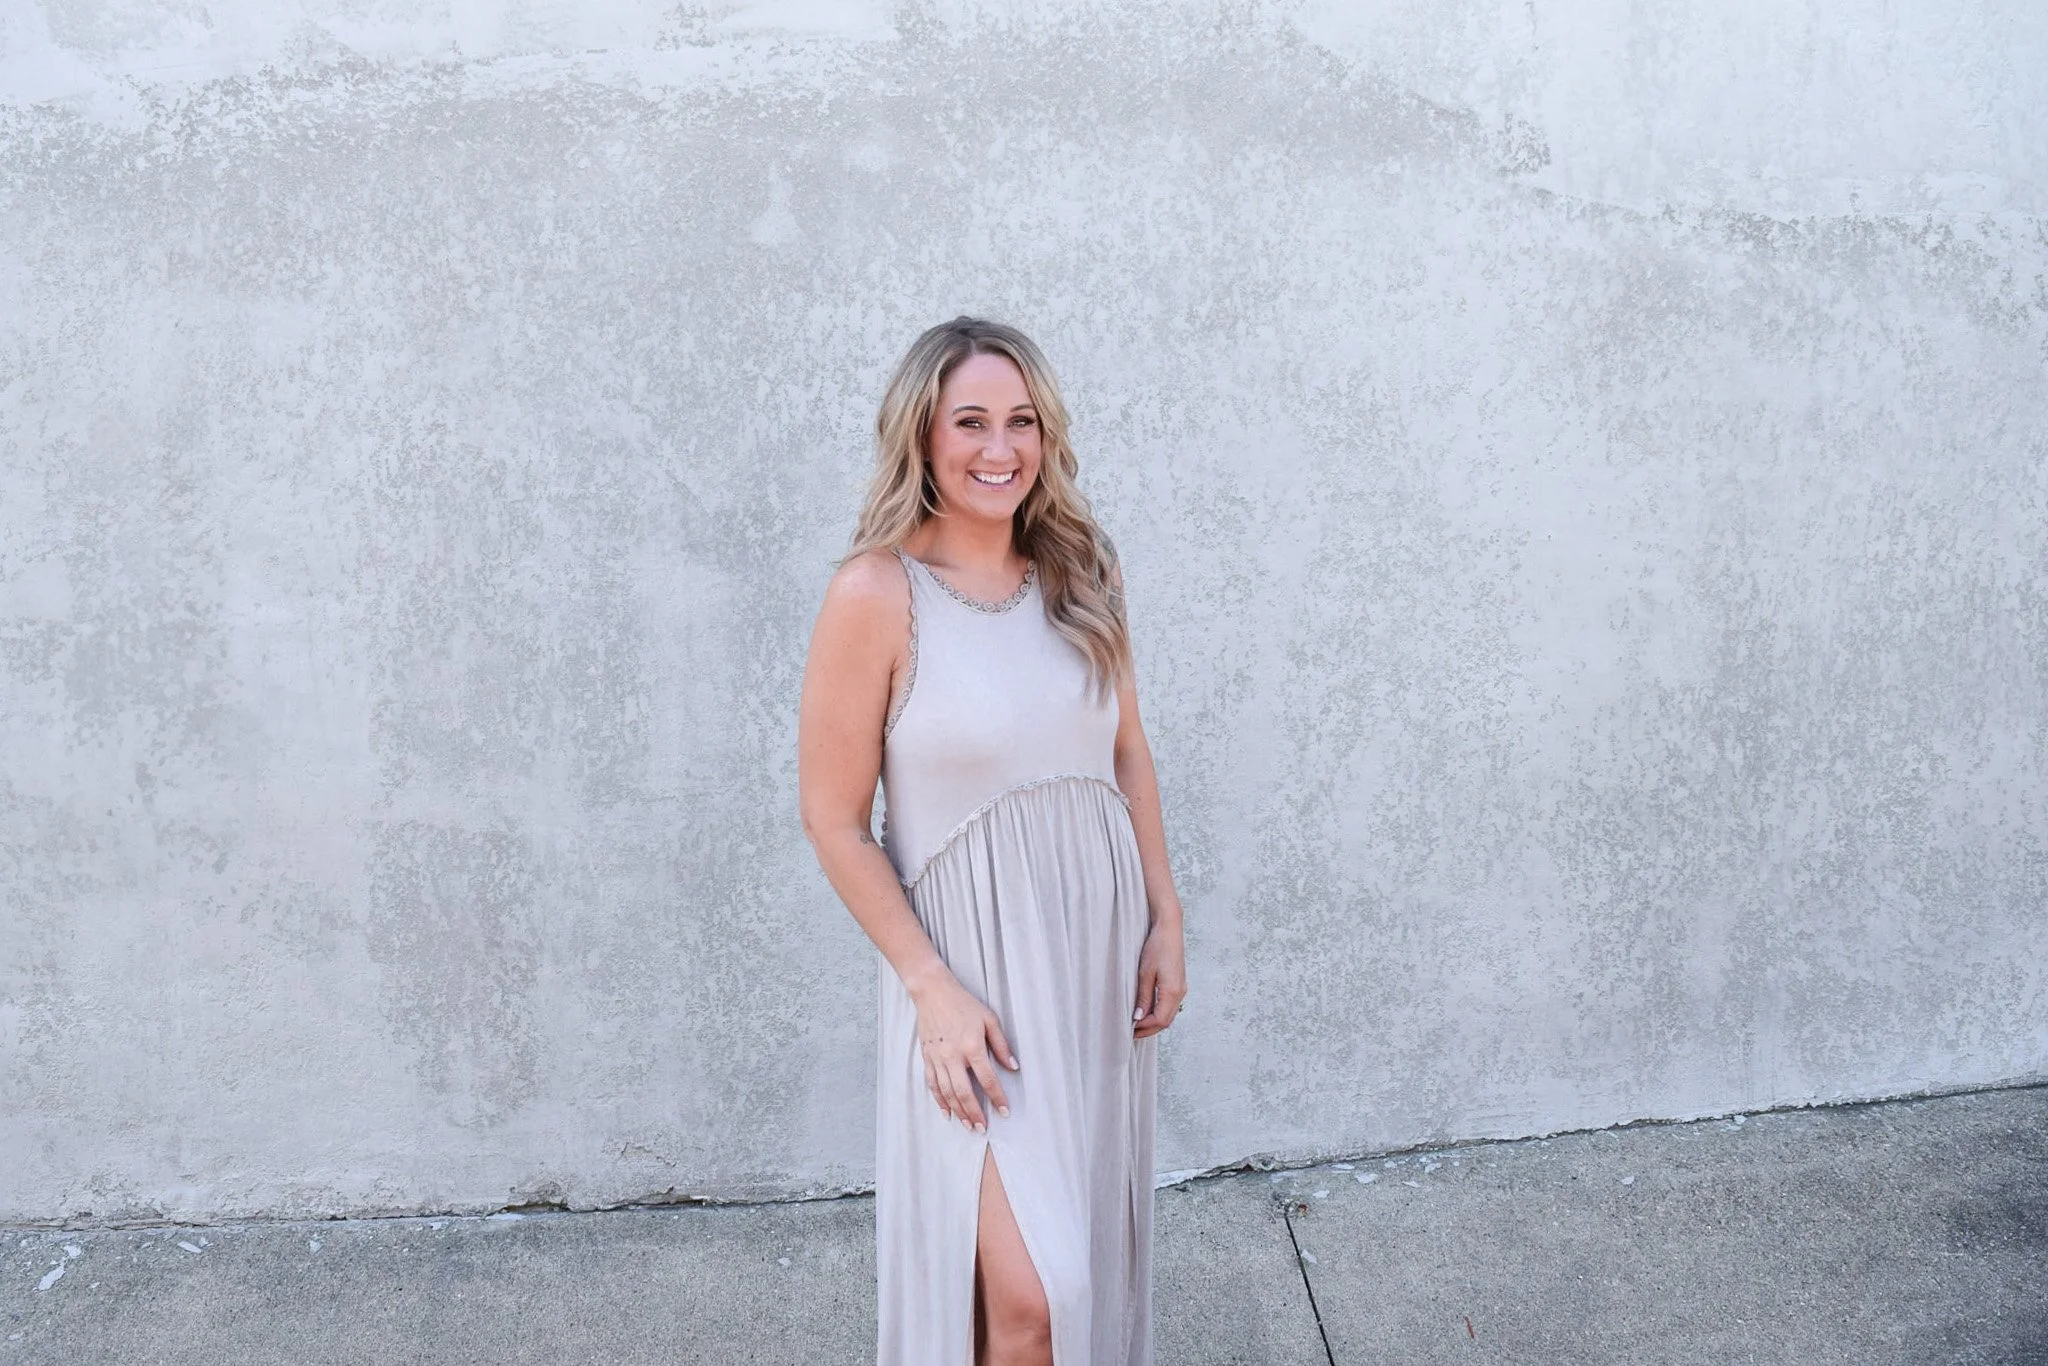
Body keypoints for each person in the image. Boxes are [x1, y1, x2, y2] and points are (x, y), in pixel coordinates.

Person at [799, 317, 1188, 1366]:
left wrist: (1165, 917)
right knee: (1034, 1295)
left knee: (1053, 1297)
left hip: (1090, 967)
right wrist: (930, 987)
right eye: (969, 421)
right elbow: (832, 818)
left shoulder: (1078, 567)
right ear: (921, 437)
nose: (998, 448)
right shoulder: (875, 594)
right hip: (968, 985)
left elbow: (1129, 750)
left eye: (1020, 421)